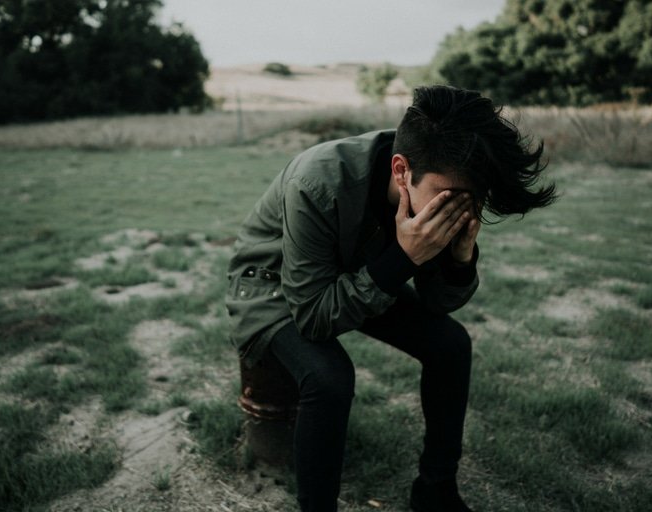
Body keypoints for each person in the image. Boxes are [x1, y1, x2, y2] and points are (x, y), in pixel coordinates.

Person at [225, 85, 557, 512]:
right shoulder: (317, 181)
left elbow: (438, 304)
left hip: (355, 274)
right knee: (329, 378)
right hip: (272, 286)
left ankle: (436, 491)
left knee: (451, 345)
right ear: (401, 171)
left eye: (473, 199)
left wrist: (459, 260)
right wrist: (404, 258)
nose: (459, 209)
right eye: (450, 197)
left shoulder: (439, 172)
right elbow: (313, 317)